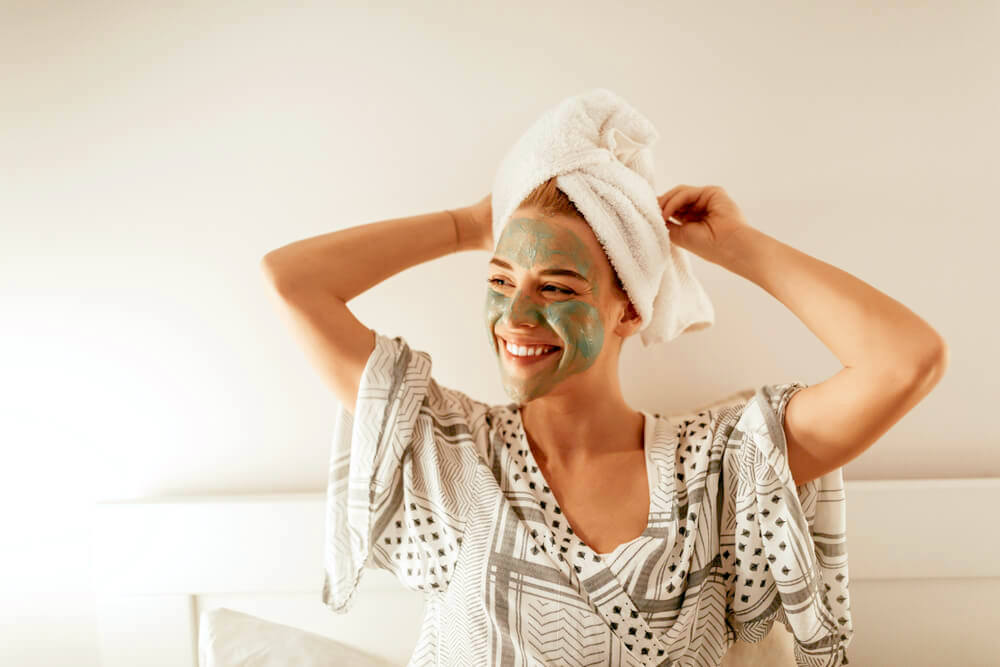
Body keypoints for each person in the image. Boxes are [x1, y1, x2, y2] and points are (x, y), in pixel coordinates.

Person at [262, 179, 946, 666]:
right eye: (501, 281)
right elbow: (291, 278)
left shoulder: (722, 463)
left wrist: (735, 245)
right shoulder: (451, 451)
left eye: (556, 287)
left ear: (630, 311)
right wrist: (471, 224)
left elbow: (906, 359)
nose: (516, 317)